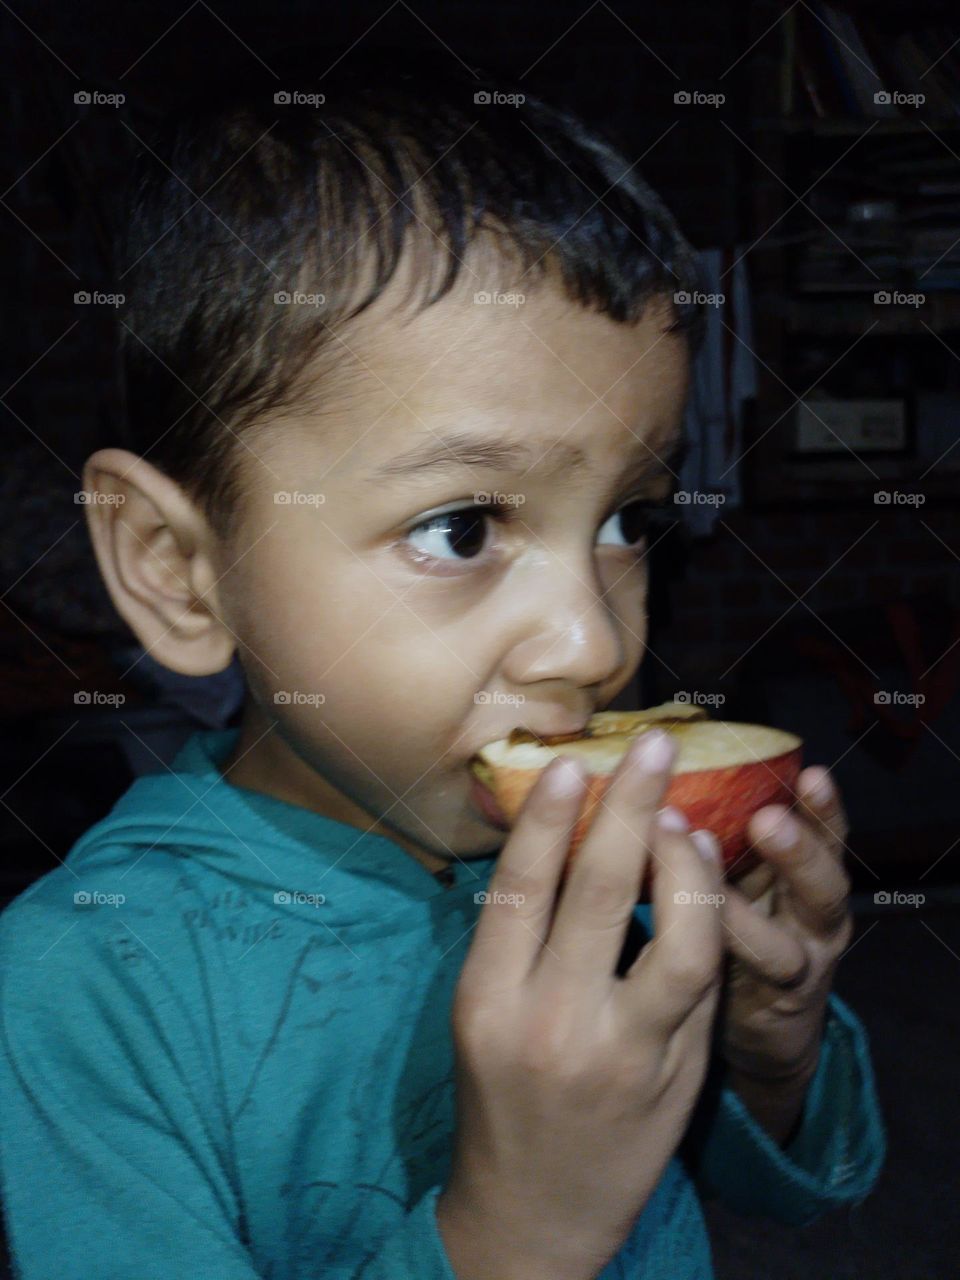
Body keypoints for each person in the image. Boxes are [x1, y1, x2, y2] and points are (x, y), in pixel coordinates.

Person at [0, 46, 885, 1280]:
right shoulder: (85, 990)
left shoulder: (603, 867)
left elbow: (772, 1184)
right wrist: (513, 1233)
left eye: (630, 519)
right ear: (176, 568)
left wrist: (772, 1051)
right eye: (462, 527)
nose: (594, 642)